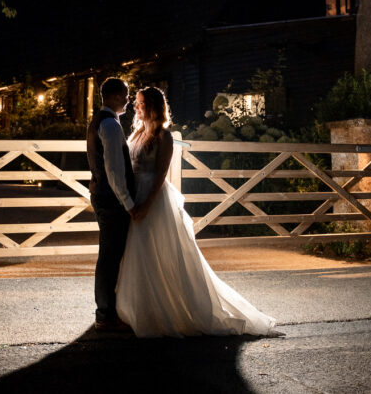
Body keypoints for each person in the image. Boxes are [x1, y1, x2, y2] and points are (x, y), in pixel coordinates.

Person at [115, 86, 277, 338]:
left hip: (153, 200)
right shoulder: (136, 133)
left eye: (141, 103)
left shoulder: (163, 137)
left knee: (157, 252)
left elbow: (160, 174)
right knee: (137, 253)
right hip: (134, 195)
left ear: (154, 106)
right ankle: (140, 309)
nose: (136, 107)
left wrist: (146, 204)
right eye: (136, 102)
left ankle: (168, 310)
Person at [85, 77, 136, 331]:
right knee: (110, 256)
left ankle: (106, 310)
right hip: (111, 199)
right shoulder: (111, 126)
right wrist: (128, 202)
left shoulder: (97, 121)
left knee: (108, 254)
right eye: (125, 94)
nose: (128, 99)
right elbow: (115, 170)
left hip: (101, 194)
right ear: (115, 96)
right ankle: (105, 313)